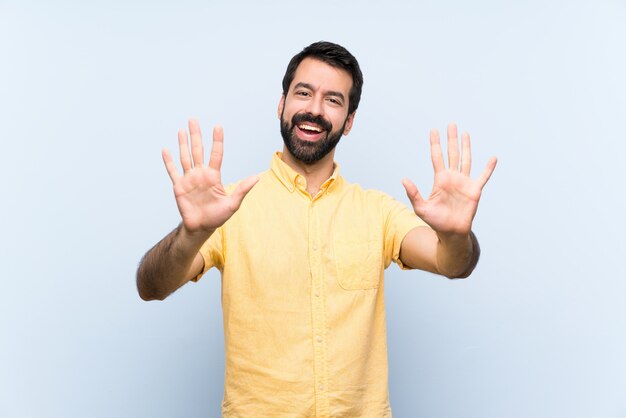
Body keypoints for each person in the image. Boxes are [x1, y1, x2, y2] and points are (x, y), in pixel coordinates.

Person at [137, 41, 497, 417]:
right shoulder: (227, 209)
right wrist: (191, 234)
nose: (314, 109)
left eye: (333, 100)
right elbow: (152, 286)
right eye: (303, 93)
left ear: (350, 120)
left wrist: (456, 236)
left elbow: (452, 263)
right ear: (282, 104)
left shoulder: (377, 212)